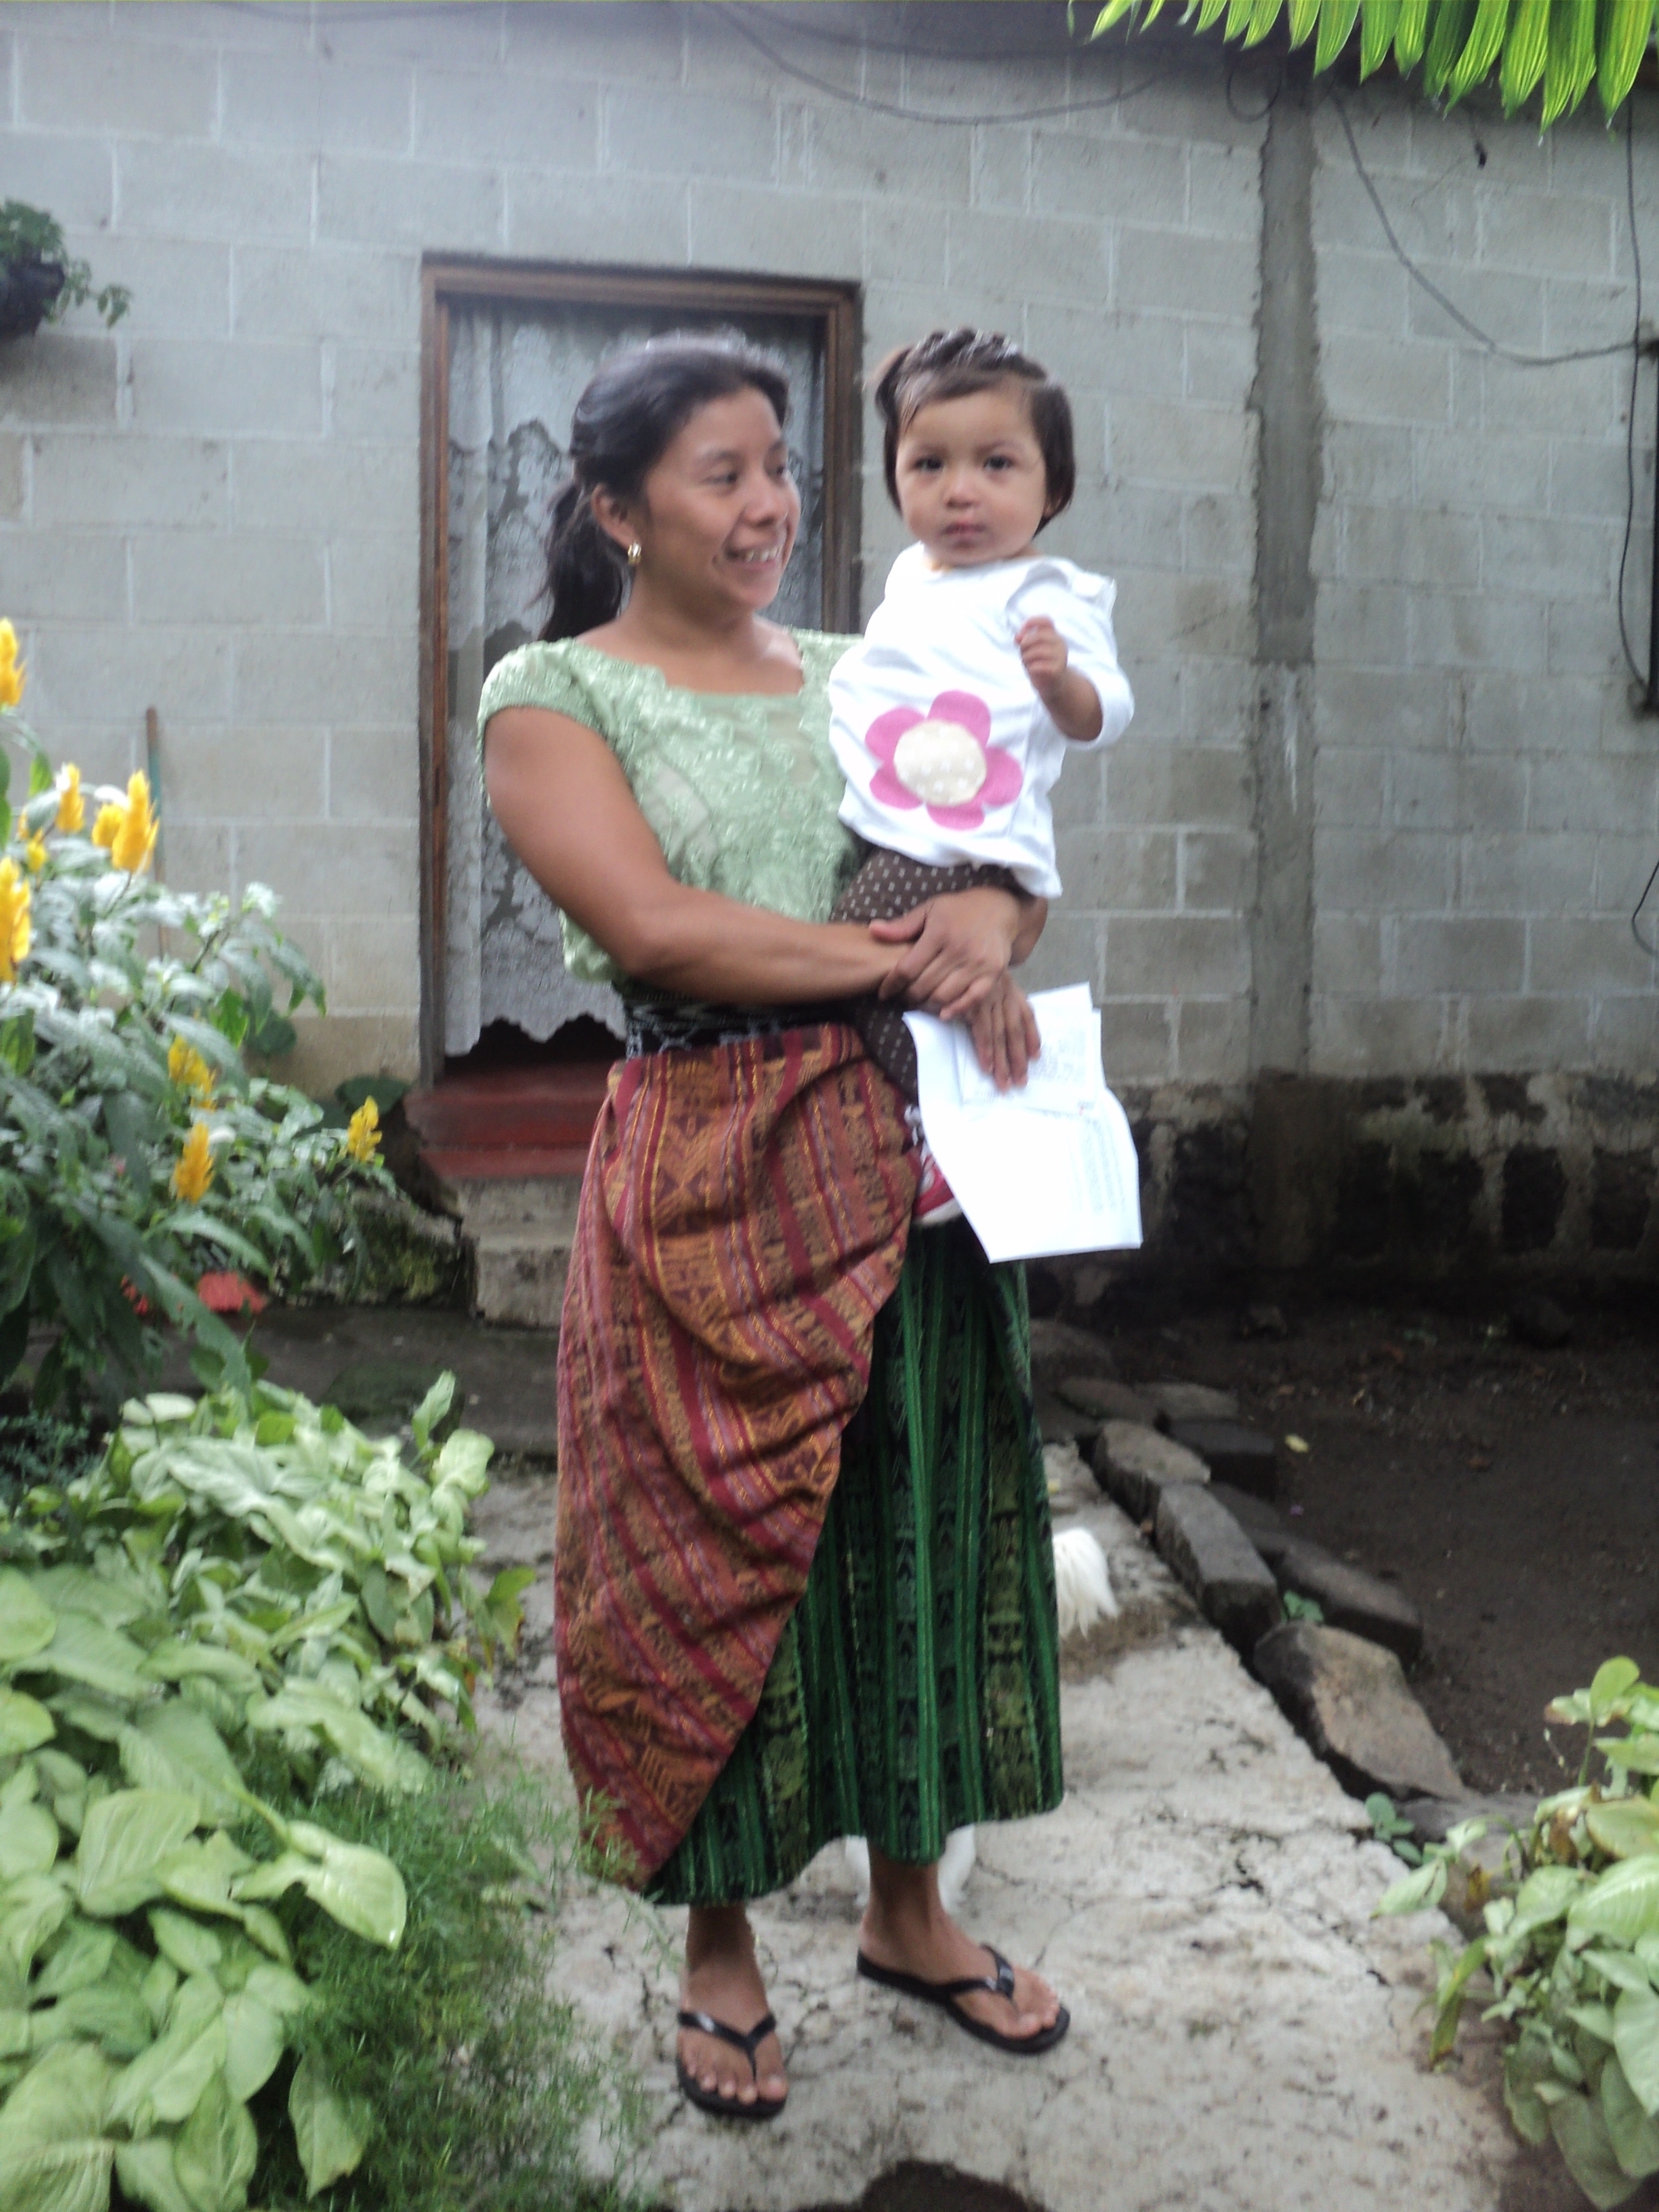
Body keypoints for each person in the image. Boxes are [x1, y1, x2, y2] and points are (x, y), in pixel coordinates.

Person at [479, 332, 1068, 2124]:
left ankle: (908, 1908)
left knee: (915, 1527)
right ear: (616, 508)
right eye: (721, 474)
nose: (768, 506)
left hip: (907, 1161)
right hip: (705, 1173)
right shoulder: (549, 698)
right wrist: (914, 958)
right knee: (706, 1550)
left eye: (781, 469)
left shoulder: (866, 664)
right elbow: (656, 928)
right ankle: (720, 1942)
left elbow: (1000, 843)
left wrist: (996, 927)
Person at [827, 329, 1136, 1225]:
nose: (960, 491)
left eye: (997, 464)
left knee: (854, 955)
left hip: (967, 843)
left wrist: (1060, 683)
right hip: (907, 827)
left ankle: (943, 1132)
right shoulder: (910, 578)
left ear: (1054, 488)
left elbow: (1107, 712)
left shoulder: (1047, 595)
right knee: (932, 980)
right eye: (928, 465)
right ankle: (965, 1113)